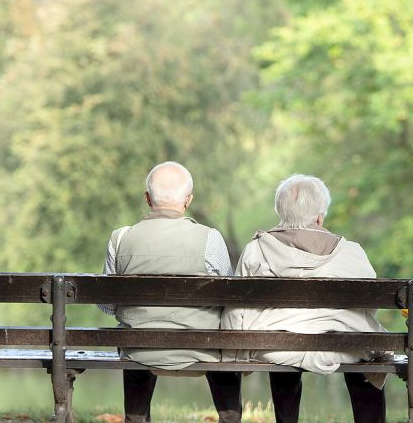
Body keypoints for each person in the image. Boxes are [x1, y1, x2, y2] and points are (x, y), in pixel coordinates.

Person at [222, 174, 387, 423]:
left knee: (281, 340)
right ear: (320, 217)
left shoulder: (256, 249)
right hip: (341, 346)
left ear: (281, 213)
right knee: (365, 355)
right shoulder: (351, 252)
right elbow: (369, 306)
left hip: (274, 346)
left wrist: (234, 349)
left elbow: (238, 308)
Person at [98, 161, 242, 423]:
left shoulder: (120, 238)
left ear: (147, 199)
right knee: (222, 335)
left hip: (139, 350)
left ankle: (136, 418)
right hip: (202, 348)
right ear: (188, 200)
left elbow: (108, 305)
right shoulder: (209, 238)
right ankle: (230, 417)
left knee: (136, 336)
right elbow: (228, 300)